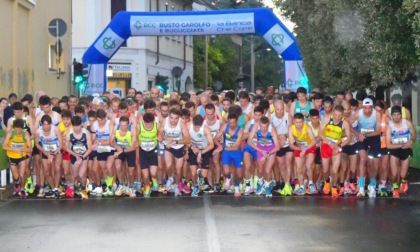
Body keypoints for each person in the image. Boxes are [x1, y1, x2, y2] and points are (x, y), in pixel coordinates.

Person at [351, 98, 382, 197]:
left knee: (375, 162)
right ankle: (361, 187)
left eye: (369, 108)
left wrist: (366, 135)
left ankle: (372, 185)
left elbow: (378, 131)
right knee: (363, 159)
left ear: (372, 107)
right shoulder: (358, 113)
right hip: (362, 137)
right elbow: (347, 123)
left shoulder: (376, 114)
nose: (367, 110)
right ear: (362, 107)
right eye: (365, 108)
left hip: (373, 137)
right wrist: (357, 134)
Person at [318, 105, 351, 197]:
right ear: (333, 113)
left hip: (337, 146)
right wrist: (329, 142)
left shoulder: (345, 123)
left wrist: (339, 146)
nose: (337, 118)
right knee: (325, 170)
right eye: (336, 115)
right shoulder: (327, 119)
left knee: (335, 170)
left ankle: (334, 187)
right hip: (326, 145)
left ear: (342, 115)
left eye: (340, 116)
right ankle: (327, 182)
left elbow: (349, 138)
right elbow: (320, 133)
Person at [158, 108, 190, 196]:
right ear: (169, 116)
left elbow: (187, 139)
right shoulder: (164, 121)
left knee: (178, 169)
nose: (173, 120)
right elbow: (160, 133)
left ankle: (176, 185)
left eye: (176, 118)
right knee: (168, 165)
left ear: (179, 118)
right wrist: (164, 137)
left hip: (179, 146)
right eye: (172, 118)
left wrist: (175, 142)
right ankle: (171, 178)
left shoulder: (182, 123)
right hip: (168, 146)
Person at [386, 106, 416, 197]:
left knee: (403, 174)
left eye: (398, 115)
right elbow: (388, 145)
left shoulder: (407, 123)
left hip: (406, 149)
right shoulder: (390, 126)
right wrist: (400, 145)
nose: (396, 117)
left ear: (401, 115)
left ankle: (403, 181)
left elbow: (414, 135)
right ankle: (395, 187)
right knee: (394, 174)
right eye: (394, 115)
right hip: (395, 149)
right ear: (391, 116)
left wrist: (411, 142)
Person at [247, 116, 280, 197]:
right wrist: (261, 151)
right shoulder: (255, 127)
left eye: (265, 127)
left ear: (268, 125)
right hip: (260, 148)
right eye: (261, 127)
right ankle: (261, 183)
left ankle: (267, 186)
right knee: (260, 169)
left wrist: (267, 154)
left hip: (271, 149)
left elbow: (277, 147)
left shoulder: (272, 129)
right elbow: (249, 142)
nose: (263, 129)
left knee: (268, 170)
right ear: (259, 124)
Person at [214, 113, 244, 197]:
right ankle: (228, 178)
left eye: (234, 123)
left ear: (236, 122)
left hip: (237, 153)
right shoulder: (224, 127)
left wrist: (224, 148)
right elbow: (215, 139)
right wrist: (220, 146)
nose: (232, 125)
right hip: (226, 153)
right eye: (230, 123)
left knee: (239, 174)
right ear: (228, 122)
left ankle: (236, 185)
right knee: (226, 171)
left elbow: (237, 146)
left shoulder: (240, 131)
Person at [35, 115, 63, 198]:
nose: (46, 127)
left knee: (57, 168)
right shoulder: (38, 131)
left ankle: (57, 187)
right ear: (41, 124)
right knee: (46, 172)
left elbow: (61, 144)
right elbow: (36, 143)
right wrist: (46, 154)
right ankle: (53, 188)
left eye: (48, 124)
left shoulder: (55, 129)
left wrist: (54, 154)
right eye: (44, 124)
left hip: (56, 150)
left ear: (51, 124)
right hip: (46, 151)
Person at [2, 119, 32, 199]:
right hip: (12, 157)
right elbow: (4, 146)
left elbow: (30, 149)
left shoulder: (25, 134)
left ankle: (22, 189)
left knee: (22, 175)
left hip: (22, 156)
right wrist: (14, 149)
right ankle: (16, 183)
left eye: (19, 130)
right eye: (16, 129)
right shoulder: (10, 133)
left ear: (22, 128)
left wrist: (22, 150)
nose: (17, 131)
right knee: (16, 177)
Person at [288, 113, 317, 195]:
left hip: (309, 146)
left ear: (303, 121)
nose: (298, 124)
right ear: (293, 121)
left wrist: (305, 149)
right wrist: (300, 149)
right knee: (298, 168)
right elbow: (291, 145)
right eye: (296, 122)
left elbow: (314, 141)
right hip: (299, 147)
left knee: (308, 165)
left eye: (300, 122)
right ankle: (301, 186)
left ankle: (311, 183)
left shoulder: (307, 127)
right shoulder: (291, 129)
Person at [65, 116, 92, 199]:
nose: (77, 128)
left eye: (78, 126)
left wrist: (82, 157)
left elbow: (90, 148)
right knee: (75, 175)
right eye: (75, 127)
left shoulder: (86, 133)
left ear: (82, 124)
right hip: (74, 155)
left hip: (84, 155)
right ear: (72, 126)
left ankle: (84, 189)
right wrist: (75, 155)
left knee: (81, 174)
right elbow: (66, 147)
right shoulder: (69, 134)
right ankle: (78, 186)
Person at [187, 115, 214, 197]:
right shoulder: (188, 126)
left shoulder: (205, 129)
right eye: (195, 127)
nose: (196, 129)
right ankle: (195, 186)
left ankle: (201, 176)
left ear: (202, 124)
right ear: (193, 123)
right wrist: (192, 147)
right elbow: (185, 139)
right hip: (193, 149)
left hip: (204, 150)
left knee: (204, 174)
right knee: (192, 171)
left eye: (198, 127)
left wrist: (201, 152)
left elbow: (211, 145)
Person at [111, 116, 138, 198]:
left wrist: (121, 151)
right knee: (118, 167)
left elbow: (133, 147)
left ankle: (131, 187)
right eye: (121, 125)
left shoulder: (132, 130)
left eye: (125, 125)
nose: (123, 127)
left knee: (131, 171)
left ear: (128, 124)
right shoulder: (116, 128)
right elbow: (111, 141)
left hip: (129, 150)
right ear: (119, 124)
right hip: (120, 149)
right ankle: (122, 184)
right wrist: (117, 147)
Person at [271, 100, 293, 195]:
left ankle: (287, 183)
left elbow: (292, 129)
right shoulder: (271, 117)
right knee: (281, 164)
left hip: (288, 142)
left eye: (281, 109)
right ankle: (284, 182)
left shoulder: (288, 116)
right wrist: (278, 138)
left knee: (288, 162)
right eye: (277, 109)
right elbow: (270, 131)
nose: (279, 111)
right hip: (278, 143)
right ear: (274, 109)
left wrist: (285, 136)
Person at [138, 112, 160, 198]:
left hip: (153, 151)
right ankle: (147, 187)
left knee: (153, 173)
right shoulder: (139, 126)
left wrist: (160, 137)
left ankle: (154, 179)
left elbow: (161, 135)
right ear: (143, 122)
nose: (148, 126)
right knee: (146, 175)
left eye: (150, 124)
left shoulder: (157, 126)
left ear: (153, 122)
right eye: (146, 124)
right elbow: (134, 137)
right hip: (143, 152)